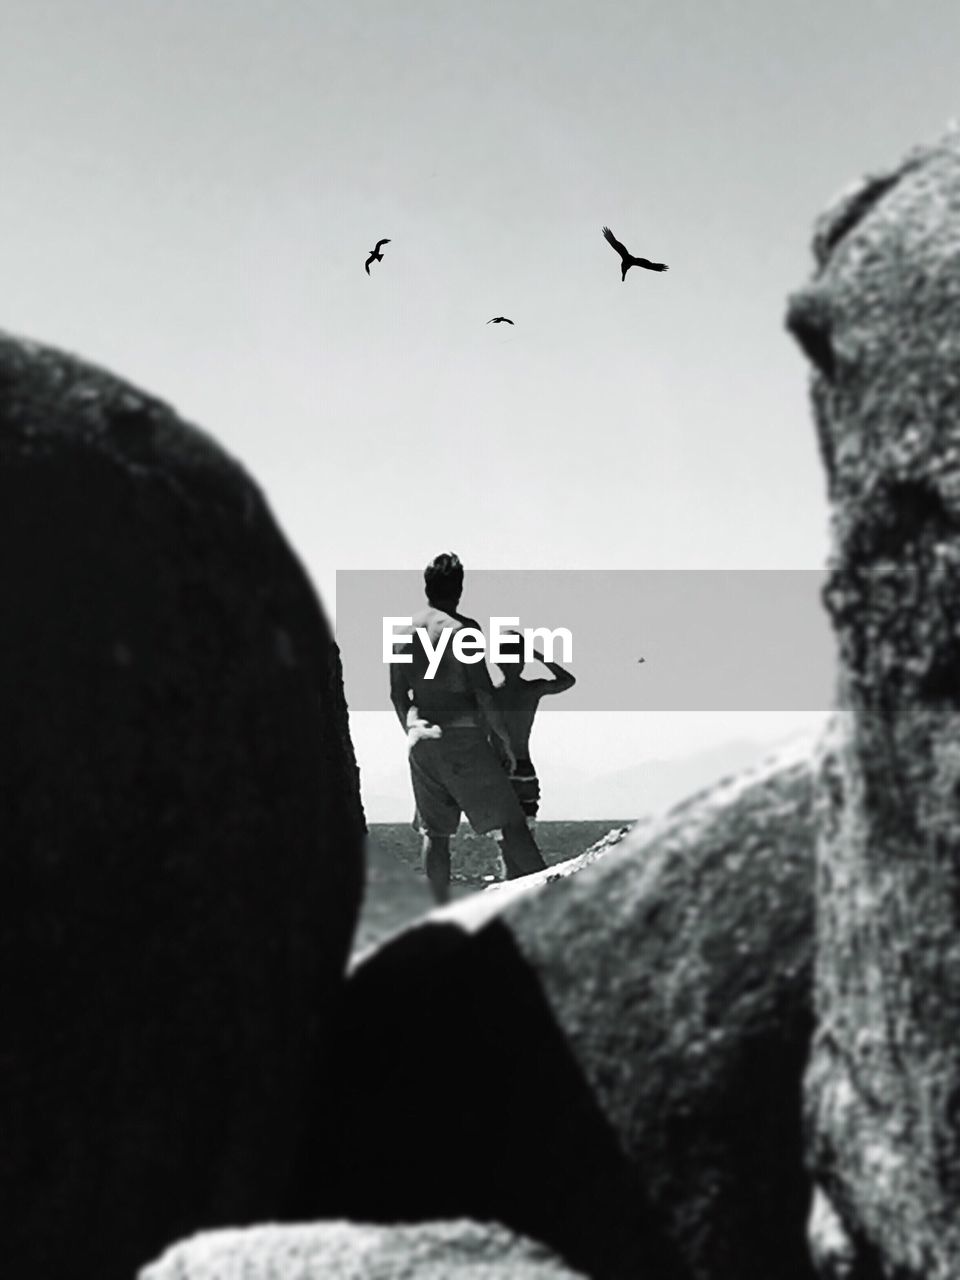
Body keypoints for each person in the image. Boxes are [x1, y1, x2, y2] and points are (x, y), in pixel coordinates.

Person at [389, 553, 546, 903]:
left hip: (420, 739)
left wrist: (413, 732)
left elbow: (397, 693)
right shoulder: (462, 630)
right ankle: (553, 901)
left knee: (436, 833)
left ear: (426, 586)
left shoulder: (402, 632)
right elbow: (484, 693)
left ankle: (440, 916)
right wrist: (503, 743)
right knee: (512, 823)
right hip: (461, 735)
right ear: (459, 588)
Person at [491, 629, 576, 832]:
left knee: (506, 835)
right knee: (524, 832)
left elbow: (568, 681)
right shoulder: (528, 690)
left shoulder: (493, 694)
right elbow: (566, 680)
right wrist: (537, 655)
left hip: (501, 768)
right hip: (518, 767)